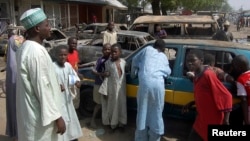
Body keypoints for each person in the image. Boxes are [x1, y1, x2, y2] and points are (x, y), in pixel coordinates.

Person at [16, 8, 66, 141]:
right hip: (40, 117)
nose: (50, 28)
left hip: (30, 113)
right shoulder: (36, 52)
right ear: (38, 28)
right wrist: (57, 117)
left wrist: (56, 85)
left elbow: (39, 80)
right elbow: (42, 87)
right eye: (47, 25)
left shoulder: (24, 48)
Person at [183, 49, 232, 141]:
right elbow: (204, 95)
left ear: (201, 61)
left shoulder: (208, 75)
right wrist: (192, 103)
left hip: (212, 118)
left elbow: (226, 96)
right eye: (187, 61)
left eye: (193, 60)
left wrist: (226, 120)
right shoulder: (196, 76)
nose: (189, 63)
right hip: (202, 118)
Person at [131, 39, 171, 141]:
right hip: (158, 85)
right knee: (156, 112)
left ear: (154, 45)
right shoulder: (164, 57)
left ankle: (141, 138)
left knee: (142, 111)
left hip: (144, 85)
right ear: (163, 49)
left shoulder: (147, 49)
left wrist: (134, 73)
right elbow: (168, 72)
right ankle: (154, 137)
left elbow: (135, 60)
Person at [53, 45, 83, 141]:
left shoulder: (68, 66)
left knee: (70, 118)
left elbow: (72, 77)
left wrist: (76, 82)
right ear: (57, 55)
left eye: (65, 55)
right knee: (61, 118)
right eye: (60, 55)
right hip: (58, 99)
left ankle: (71, 136)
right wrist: (57, 86)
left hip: (67, 98)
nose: (62, 57)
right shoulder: (53, 67)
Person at [98, 43, 127, 132]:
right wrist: (105, 91)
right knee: (113, 107)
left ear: (120, 52)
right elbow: (105, 78)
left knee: (122, 106)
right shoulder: (108, 63)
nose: (113, 54)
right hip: (112, 89)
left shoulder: (123, 62)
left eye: (115, 52)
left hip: (121, 89)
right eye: (112, 52)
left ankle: (121, 123)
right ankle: (113, 125)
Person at [5, 28, 25, 141]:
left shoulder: (10, 66)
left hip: (12, 82)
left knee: (13, 106)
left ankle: (15, 133)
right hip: (18, 82)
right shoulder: (21, 62)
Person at [67, 36, 94, 110]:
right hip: (69, 78)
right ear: (68, 44)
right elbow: (66, 69)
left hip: (75, 77)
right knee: (71, 96)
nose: (74, 45)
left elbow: (76, 65)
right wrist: (77, 75)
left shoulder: (75, 53)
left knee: (76, 96)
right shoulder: (66, 55)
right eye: (72, 43)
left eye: (75, 44)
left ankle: (75, 112)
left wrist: (87, 65)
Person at [90, 43, 111, 129]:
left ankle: (107, 122)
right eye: (105, 49)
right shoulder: (100, 60)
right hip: (99, 84)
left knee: (108, 104)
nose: (107, 51)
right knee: (99, 104)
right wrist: (102, 74)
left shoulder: (112, 60)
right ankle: (93, 120)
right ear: (102, 51)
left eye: (109, 49)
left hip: (109, 85)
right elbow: (93, 71)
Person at [231, 55, 250, 125]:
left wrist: (246, 120)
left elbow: (244, 100)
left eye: (234, 66)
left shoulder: (241, 79)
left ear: (240, 67)